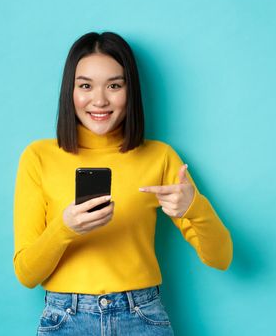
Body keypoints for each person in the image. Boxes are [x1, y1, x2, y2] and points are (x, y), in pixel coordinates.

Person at [13, 32, 233, 336]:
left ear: (130, 91)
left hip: (141, 316)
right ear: (70, 90)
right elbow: (26, 273)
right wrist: (65, 228)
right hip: (65, 318)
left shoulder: (160, 157)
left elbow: (221, 258)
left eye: (114, 85)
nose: (100, 99)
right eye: (85, 85)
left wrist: (194, 207)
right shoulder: (38, 157)